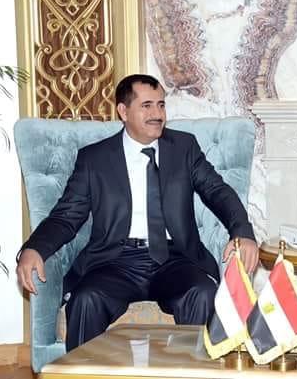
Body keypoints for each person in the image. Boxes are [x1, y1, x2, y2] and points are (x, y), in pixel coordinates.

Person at [16, 74, 259, 351]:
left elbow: (218, 191)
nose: (157, 114)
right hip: (115, 260)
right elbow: (66, 216)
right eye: (147, 106)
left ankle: (193, 370)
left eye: (161, 105)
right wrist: (35, 248)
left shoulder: (184, 148)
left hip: (175, 259)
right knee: (86, 299)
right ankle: (83, 371)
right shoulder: (95, 159)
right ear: (123, 111)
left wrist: (242, 232)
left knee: (202, 293)